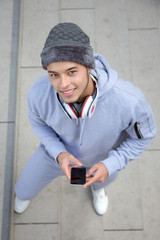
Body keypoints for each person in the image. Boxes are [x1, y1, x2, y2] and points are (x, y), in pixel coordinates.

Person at [14, 22, 156, 215]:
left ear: (89, 66)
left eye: (72, 72)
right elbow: (38, 123)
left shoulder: (130, 101)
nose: (63, 84)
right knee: (24, 188)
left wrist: (112, 164)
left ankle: (99, 190)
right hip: (54, 155)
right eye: (54, 74)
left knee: (101, 182)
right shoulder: (37, 94)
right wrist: (58, 153)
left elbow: (144, 137)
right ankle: (24, 194)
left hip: (103, 159)